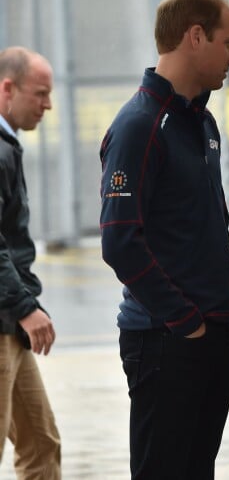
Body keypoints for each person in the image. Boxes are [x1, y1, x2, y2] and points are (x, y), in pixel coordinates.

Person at [100, 0, 229, 480]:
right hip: (167, 339)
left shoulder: (202, 122)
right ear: (195, 36)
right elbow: (120, 241)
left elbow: (212, 224)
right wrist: (184, 320)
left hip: (213, 330)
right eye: (227, 43)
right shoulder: (140, 125)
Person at [0, 47, 61, 478]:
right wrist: (26, 307)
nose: (48, 105)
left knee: (41, 444)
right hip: (7, 317)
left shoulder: (7, 146)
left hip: (9, 323)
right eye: (40, 93)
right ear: (7, 89)